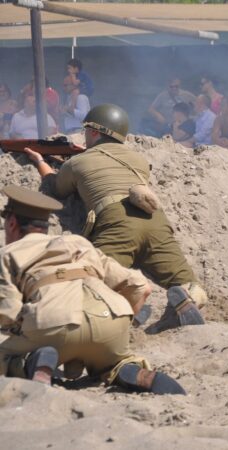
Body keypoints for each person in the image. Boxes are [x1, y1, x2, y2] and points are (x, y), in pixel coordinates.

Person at [23, 104, 206, 333]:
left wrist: (41, 161)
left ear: (95, 132)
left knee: (93, 285)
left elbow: (55, 189)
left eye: (87, 129)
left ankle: (131, 307)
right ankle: (189, 299)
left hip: (116, 222)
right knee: (189, 283)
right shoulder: (138, 159)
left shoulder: (78, 162)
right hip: (155, 218)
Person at [0, 185, 184, 394]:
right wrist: (122, 325)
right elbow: (141, 287)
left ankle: (28, 364)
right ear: (44, 226)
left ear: (12, 223)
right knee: (114, 359)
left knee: (6, 354)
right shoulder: (79, 243)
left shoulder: (8, 253)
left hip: (54, 323)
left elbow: (7, 314)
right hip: (111, 318)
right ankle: (125, 368)